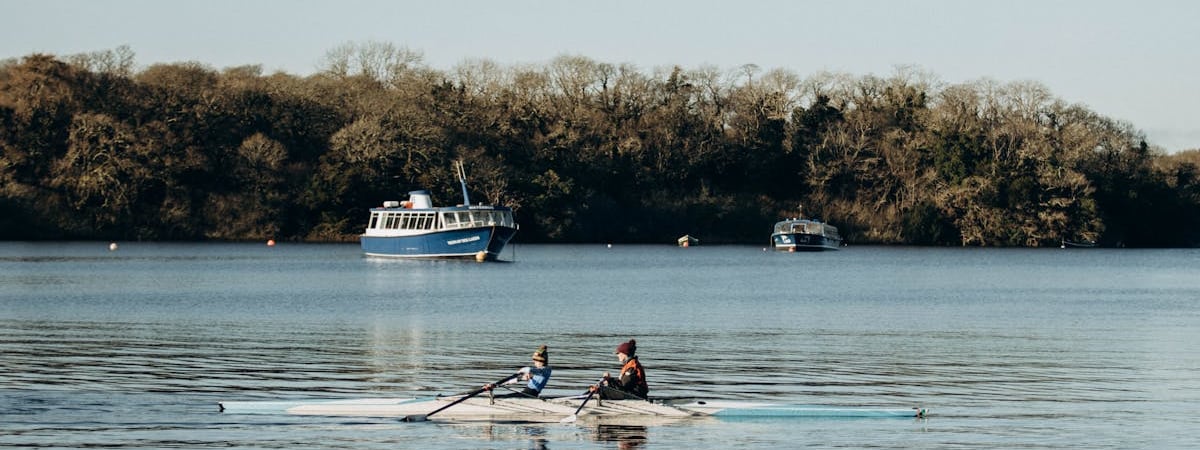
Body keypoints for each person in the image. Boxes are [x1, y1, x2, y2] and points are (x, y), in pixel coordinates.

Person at [484, 345, 552, 398]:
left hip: (530, 395)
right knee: (500, 396)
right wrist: (495, 385)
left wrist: (521, 370)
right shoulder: (537, 371)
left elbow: (529, 369)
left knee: (500, 397)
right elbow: (516, 379)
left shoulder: (546, 369)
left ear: (540, 361)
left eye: (535, 361)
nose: (534, 363)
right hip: (525, 393)